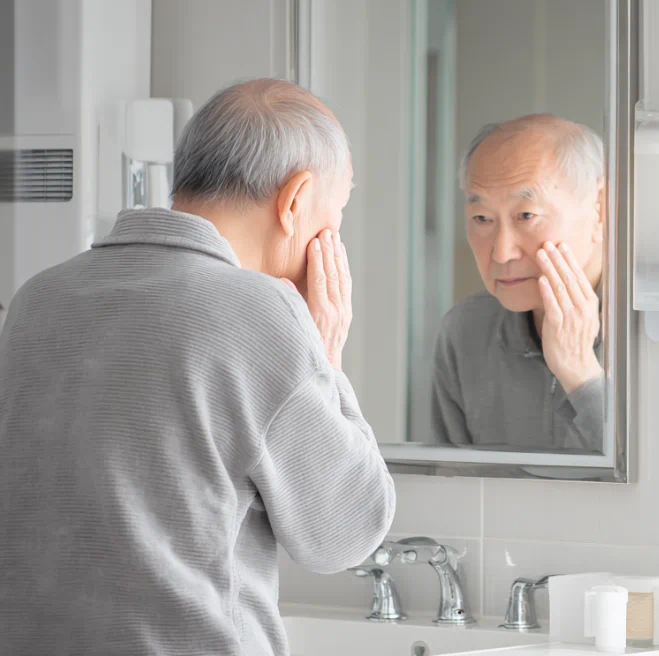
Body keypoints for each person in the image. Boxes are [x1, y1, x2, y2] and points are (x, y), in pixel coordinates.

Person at [0, 78, 395, 655]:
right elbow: (343, 535)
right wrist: (326, 354)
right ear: (294, 201)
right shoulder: (260, 312)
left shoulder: (38, 299)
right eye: (335, 213)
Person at [428, 114, 607, 451]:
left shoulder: (657, 331)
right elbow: (455, 489)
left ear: (601, 208)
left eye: (526, 215)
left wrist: (582, 376)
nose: (502, 253)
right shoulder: (466, 332)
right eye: (482, 219)